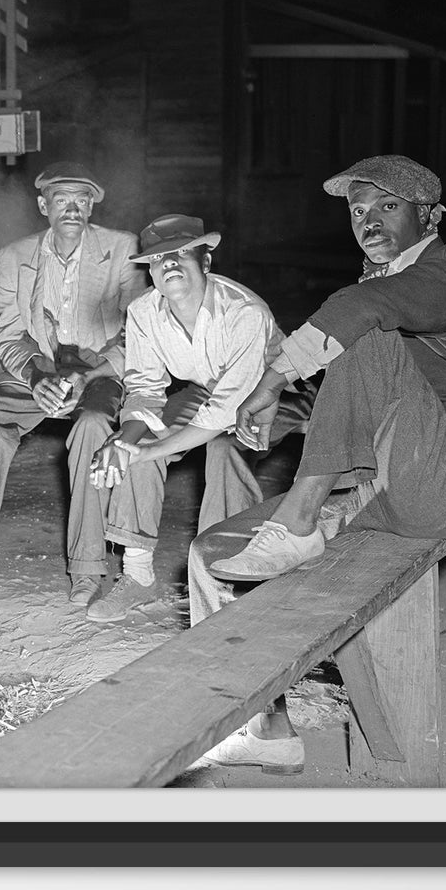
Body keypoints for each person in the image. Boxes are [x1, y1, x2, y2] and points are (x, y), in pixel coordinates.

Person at [188, 153, 446, 623]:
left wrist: (272, 381)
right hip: (393, 485)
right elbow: (361, 389)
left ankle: (298, 522)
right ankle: (239, 682)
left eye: (387, 207)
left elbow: (363, 308)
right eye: (359, 212)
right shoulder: (387, 281)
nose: (370, 222)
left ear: (428, 215)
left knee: (362, 328)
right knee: (209, 553)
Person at [82, 214, 283, 622]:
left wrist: (150, 449)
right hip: (209, 391)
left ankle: (222, 582)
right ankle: (138, 576)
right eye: (159, 260)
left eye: (182, 255)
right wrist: (129, 440)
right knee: (133, 443)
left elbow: (229, 411)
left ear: (206, 263)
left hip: (275, 390)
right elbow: (144, 388)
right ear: (151, 272)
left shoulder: (245, 312)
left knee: (226, 448)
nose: (169, 265)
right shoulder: (143, 311)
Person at [0, 162, 145, 604]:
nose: (73, 208)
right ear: (42, 205)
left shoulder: (123, 248)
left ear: (91, 207)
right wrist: (35, 378)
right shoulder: (15, 256)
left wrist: (88, 373)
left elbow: (137, 334)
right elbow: (9, 334)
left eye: (82, 200)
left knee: (91, 426)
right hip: (42, 369)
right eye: (62, 199)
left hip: (99, 372)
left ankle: (87, 567)